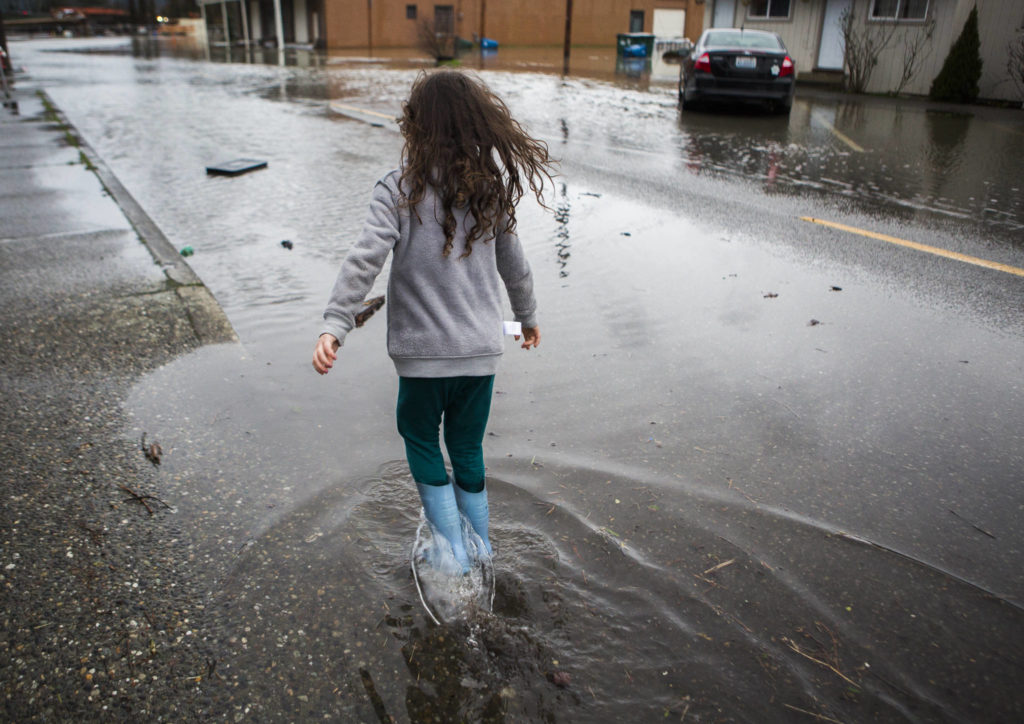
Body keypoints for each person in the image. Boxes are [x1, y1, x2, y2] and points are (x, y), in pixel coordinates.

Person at [312, 70, 553, 573]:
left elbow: (364, 259)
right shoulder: (490, 193)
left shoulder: (398, 188)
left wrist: (336, 324)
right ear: (477, 127)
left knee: (420, 437)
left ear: (415, 127)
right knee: (466, 447)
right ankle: (482, 549)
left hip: (423, 358)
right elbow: (517, 265)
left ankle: (452, 554)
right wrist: (528, 317)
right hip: (481, 356)